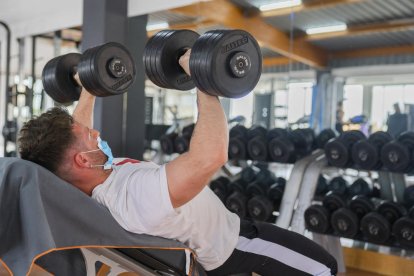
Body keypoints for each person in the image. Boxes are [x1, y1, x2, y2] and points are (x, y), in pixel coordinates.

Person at [18, 50, 337, 276]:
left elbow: (76, 130)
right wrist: (203, 79)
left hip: (231, 229)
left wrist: (87, 85)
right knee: (324, 268)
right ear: (81, 160)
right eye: (89, 137)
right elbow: (210, 156)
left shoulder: (78, 182)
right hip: (234, 246)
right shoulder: (136, 196)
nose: (96, 133)